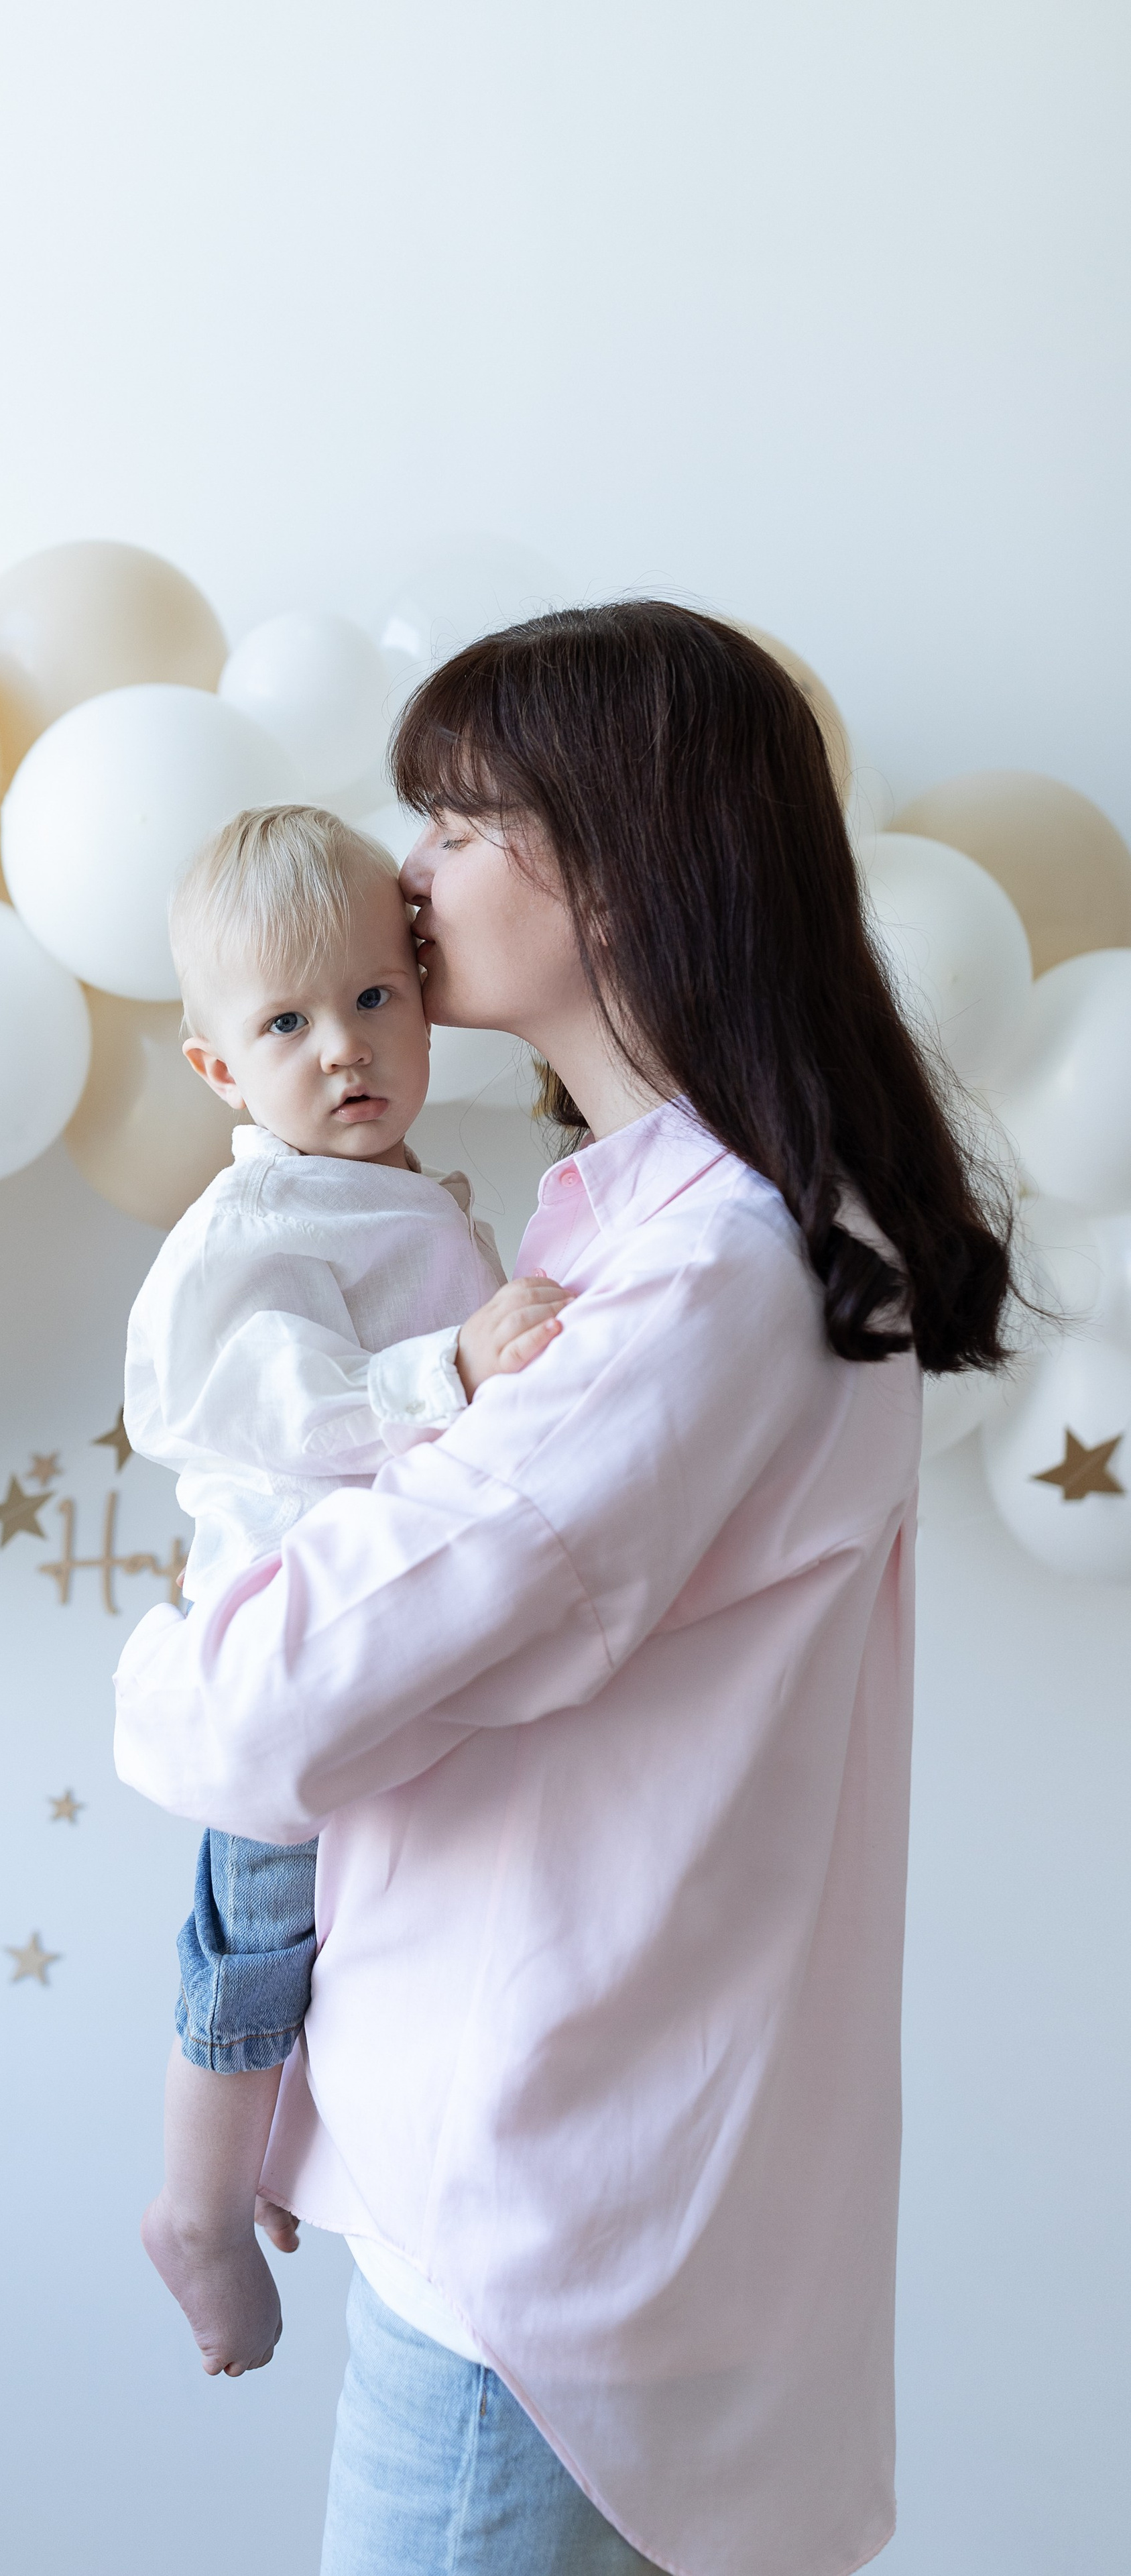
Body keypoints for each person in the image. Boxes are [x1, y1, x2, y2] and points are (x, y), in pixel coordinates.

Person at [115, 605, 1016, 2576]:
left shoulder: (706, 1280)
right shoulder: (630, 1225)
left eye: (457, 821)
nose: (411, 875)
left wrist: (170, 1659)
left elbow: (257, 1714)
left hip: (535, 2222)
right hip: (556, 2173)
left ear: (615, 862)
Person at [126, 805, 573, 2378]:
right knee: (255, 1921)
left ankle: (267, 2147)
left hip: (383, 1640)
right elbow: (251, 1407)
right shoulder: (258, 1220)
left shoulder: (396, 1190)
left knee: (345, 1931)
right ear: (215, 1069)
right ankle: (190, 2198)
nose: (342, 1049)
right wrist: (443, 1366)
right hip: (284, 1640)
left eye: (375, 998)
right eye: (284, 1023)